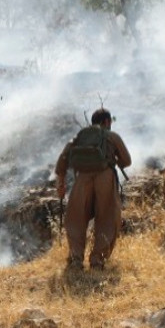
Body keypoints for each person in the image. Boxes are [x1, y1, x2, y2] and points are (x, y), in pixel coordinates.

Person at [54, 108, 132, 271]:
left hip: (82, 180)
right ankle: (97, 261)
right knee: (107, 219)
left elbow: (62, 162)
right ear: (106, 122)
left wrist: (60, 185)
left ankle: (76, 259)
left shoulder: (79, 138)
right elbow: (127, 160)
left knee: (76, 219)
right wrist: (115, 160)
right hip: (105, 178)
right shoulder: (112, 136)